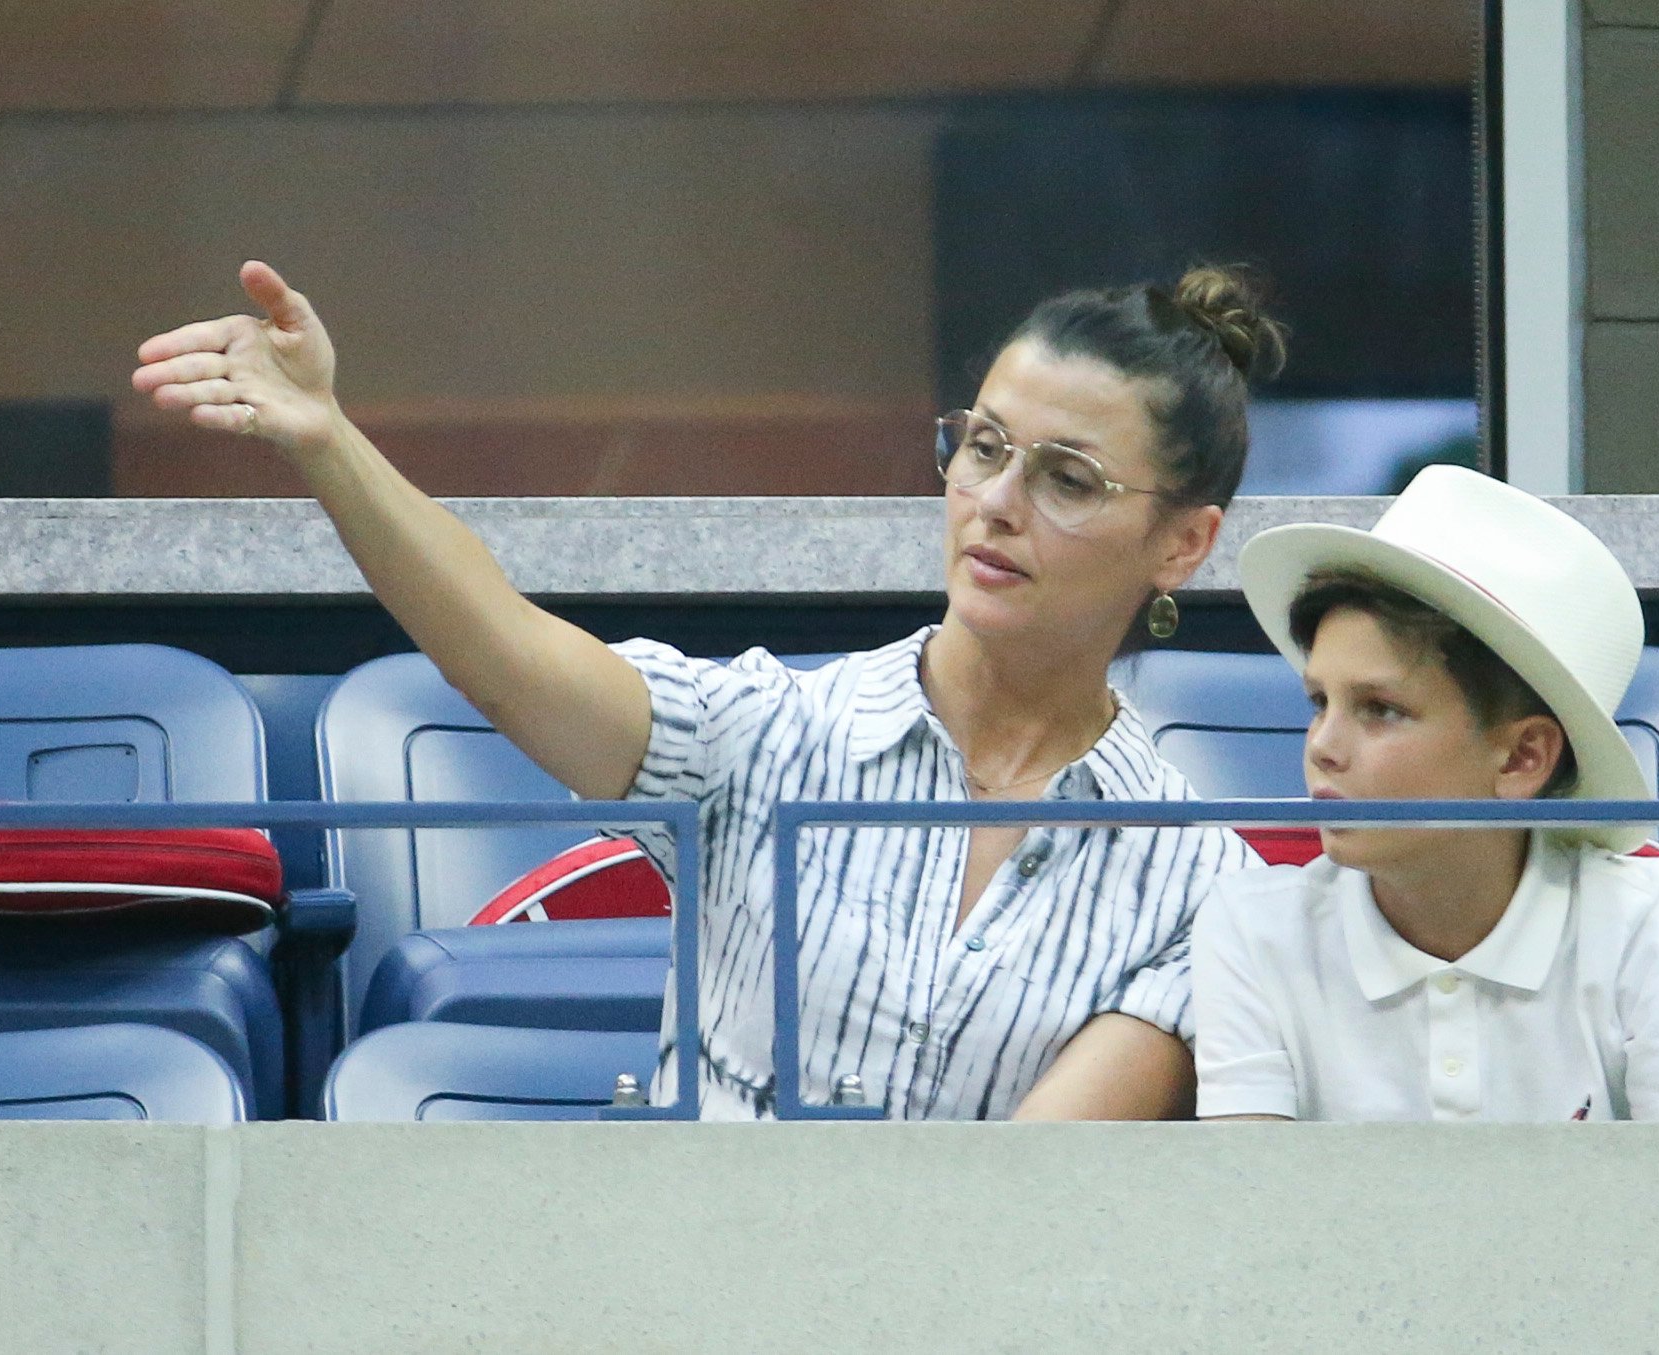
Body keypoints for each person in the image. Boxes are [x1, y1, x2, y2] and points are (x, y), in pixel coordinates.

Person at [133, 260, 1286, 1121]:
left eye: (1067, 478)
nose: (995, 501)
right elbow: (499, 643)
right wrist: (327, 439)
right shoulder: (769, 729)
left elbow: (1032, 1199)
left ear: (1183, 543)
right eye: (983, 446)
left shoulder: (1201, 883)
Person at [1192, 466, 1659, 1122]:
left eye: (1381, 709)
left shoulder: (1647, 918)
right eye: (1318, 701)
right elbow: (1248, 1185)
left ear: (1524, 757)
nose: (1322, 747)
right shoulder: (1250, 929)